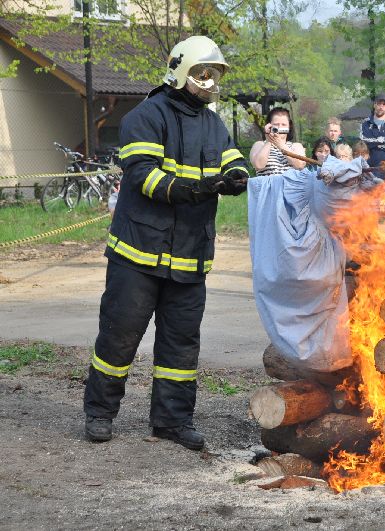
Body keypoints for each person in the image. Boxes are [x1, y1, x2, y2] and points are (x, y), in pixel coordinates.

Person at [83, 36, 249, 449]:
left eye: (215, 75)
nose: (210, 83)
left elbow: (233, 159)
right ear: (180, 71)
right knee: (119, 337)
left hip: (190, 256)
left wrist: (240, 176)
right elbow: (145, 177)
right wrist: (201, 187)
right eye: (202, 74)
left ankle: (172, 422)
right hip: (139, 254)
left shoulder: (214, 123)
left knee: (181, 344)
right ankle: (100, 414)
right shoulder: (146, 115)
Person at [250, 107, 307, 176]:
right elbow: (258, 165)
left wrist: (280, 144)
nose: (280, 127)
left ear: (289, 126)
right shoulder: (259, 145)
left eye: (284, 125)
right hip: (267, 186)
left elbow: (299, 165)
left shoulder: (296, 146)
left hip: (291, 186)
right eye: (276, 124)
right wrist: (269, 141)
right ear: (269, 125)